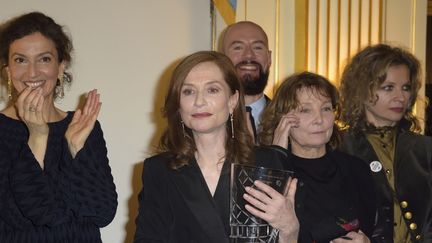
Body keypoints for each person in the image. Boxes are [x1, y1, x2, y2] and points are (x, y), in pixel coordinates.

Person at [133, 51, 298, 243]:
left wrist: (290, 229)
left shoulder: (267, 163)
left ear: (232, 100)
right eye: (188, 91)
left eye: (212, 90)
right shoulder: (160, 170)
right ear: (178, 105)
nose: (199, 101)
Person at [0, 12, 117, 242]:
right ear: (8, 71)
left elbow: (102, 213)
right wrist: (37, 137)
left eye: (44, 59)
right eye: (20, 60)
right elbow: (38, 214)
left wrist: (75, 150)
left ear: (61, 66)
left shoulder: (82, 127)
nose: (32, 72)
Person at [260, 72, 376, 243]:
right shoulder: (271, 169)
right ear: (282, 118)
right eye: (305, 110)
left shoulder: (356, 169)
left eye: (326, 108)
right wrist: (277, 154)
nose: (319, 119)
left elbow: (373, 229)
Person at [339, 44, 432, 242]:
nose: (400, 97)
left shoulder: (425, 149)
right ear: (361, 91)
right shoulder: (339, 147)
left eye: (406, 88)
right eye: (388, 87)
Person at [220, 21, 272, 141]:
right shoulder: (202, 122)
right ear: (221, 58)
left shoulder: (291, 120)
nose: (249, 55)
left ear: (269, 58)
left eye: (257, 47)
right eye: (238, 48)